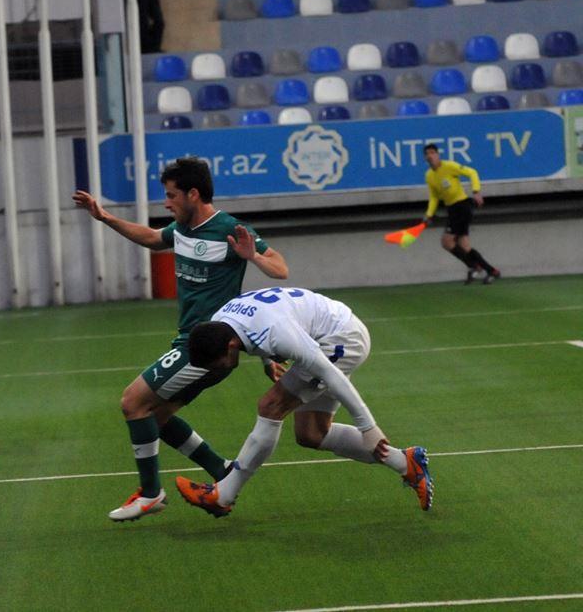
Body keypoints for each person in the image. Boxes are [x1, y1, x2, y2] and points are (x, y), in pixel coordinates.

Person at [72, 157, 289, 522]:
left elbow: (280, 268)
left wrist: (253, 256)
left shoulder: (229, 229)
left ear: (193, 194)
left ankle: (151, 493)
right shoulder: (182, 229)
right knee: (155, 417)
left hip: (209, 347)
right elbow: (152, 238)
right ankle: (221, 470)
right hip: (190, 342)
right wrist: (105, 217)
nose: (166, 203)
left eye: (171, 195)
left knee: (132, 402)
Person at [175, 286, 432, 517]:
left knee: (271, 406)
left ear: (230, 346)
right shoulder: (221, 321)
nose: (216, 370)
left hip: (341, 338)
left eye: (217, 364)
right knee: (311, 433)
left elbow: (330, 374)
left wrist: (368, 426)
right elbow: (251, 330)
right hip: (328, 327)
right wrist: (268, 360)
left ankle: (223, 495)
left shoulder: (278, 334)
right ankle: (406, 462)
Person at [421, 144, 501, 285]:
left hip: (462, 206)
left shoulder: (449, 166)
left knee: (447, 241)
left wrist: (476, 191)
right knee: (464, 246)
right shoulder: (429, 175)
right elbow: (434, 196)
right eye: (427, 153)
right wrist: (429, 214)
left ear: (438, 155)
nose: (430, 156)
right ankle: (492, 271)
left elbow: (472, 172)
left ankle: (474, 267)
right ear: (425, 157)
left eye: (433, 152)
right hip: (452, 209)